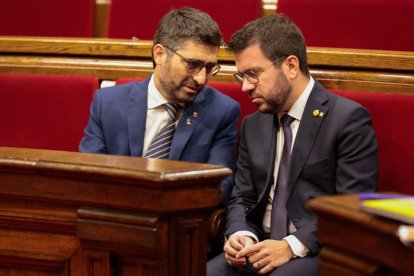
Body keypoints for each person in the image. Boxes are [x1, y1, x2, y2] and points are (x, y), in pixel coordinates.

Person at [207, 14, 378, 275]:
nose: (245, 88)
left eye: (253, 74)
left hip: (317, 249)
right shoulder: (253, 124)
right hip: (259, 246)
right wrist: (240, 233)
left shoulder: (347, 120)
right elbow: (242, 197)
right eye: (241, 76)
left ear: (290, 66)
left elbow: (352, 209)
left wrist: (291, 245)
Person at [79, 8, 239, 221]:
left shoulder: (222, 111)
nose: (201, 78)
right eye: (192, 65)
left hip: (179, 232)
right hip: (113, 226)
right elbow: (88, 175)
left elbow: (222, 187)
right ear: (160, 54)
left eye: (209, 68)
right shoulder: (107, 103)